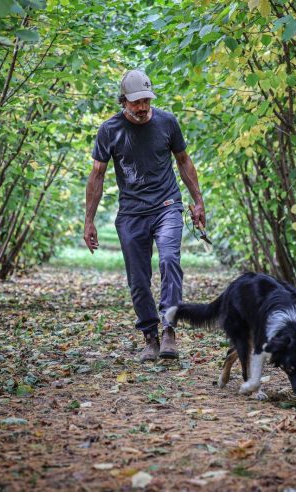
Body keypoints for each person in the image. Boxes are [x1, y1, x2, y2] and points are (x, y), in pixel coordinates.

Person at [83, 69, 205, 362]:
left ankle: (169, 329)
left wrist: (198, 201)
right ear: (123, 101)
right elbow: (97, 175)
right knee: (138, 279)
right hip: (131, 212)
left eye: (146, 101)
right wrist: (89, 220)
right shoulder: (109, 130)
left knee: (169, 259)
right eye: (135, 102)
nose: (142, 108)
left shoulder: (167, 122)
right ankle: (149, 336)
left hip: (167, 206)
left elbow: (184, 161)